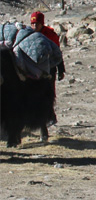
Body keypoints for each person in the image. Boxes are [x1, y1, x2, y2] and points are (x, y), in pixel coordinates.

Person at [29, 11, 65, 143]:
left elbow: (57, 53)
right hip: (34, 70)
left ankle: (50, 117)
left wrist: (61, 70)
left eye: (36, 24)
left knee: (49, 94)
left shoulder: (50, 35)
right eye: (32, 24)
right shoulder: (29, 35)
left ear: (42, 23)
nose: (34, 26)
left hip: (49, 70)